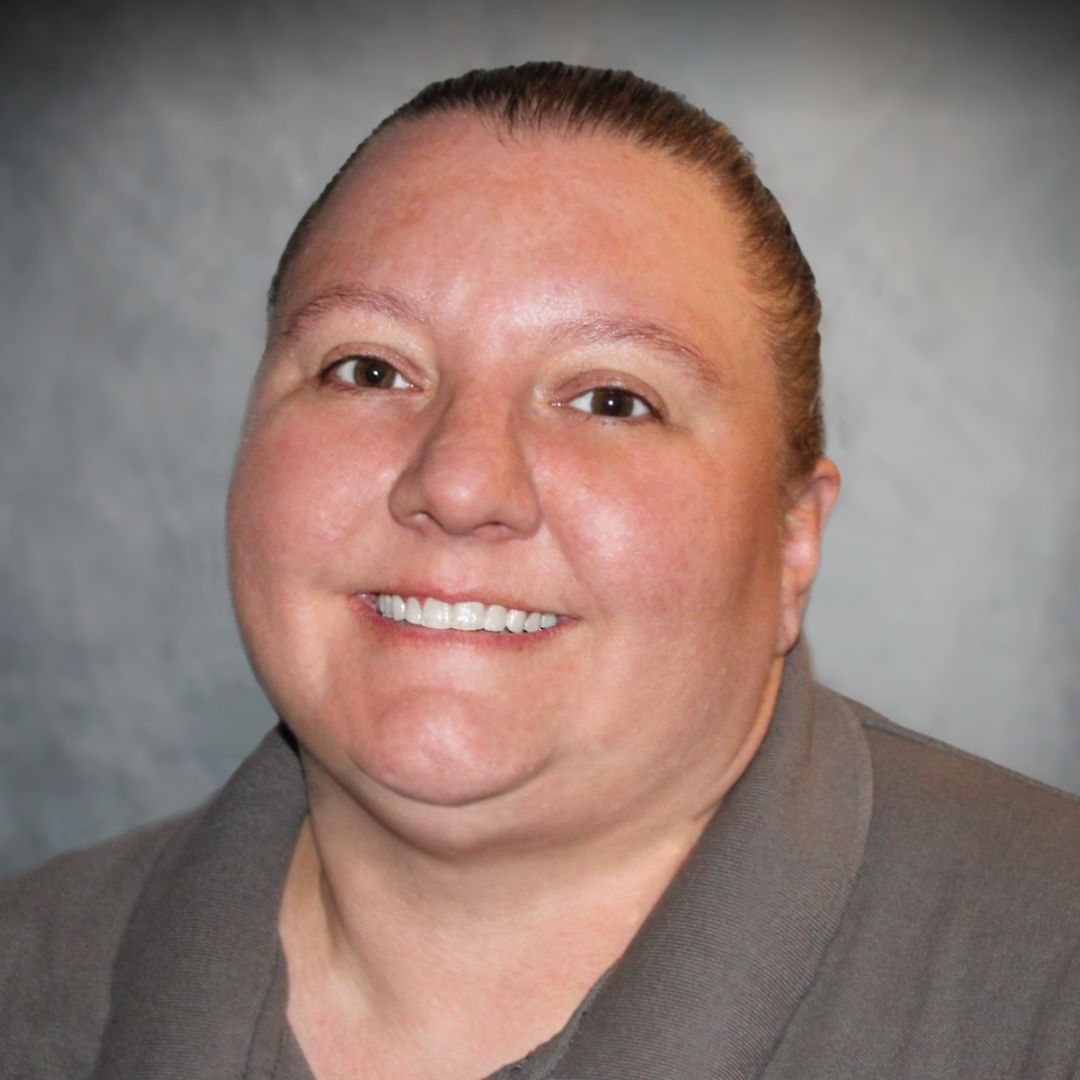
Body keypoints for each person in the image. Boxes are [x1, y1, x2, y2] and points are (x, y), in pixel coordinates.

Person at [2, 62, 1077, 1080]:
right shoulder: (28, 982)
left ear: (794, 540)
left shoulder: (1045, 981)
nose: (461, 484)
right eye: (368, 368)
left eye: (612, 398)